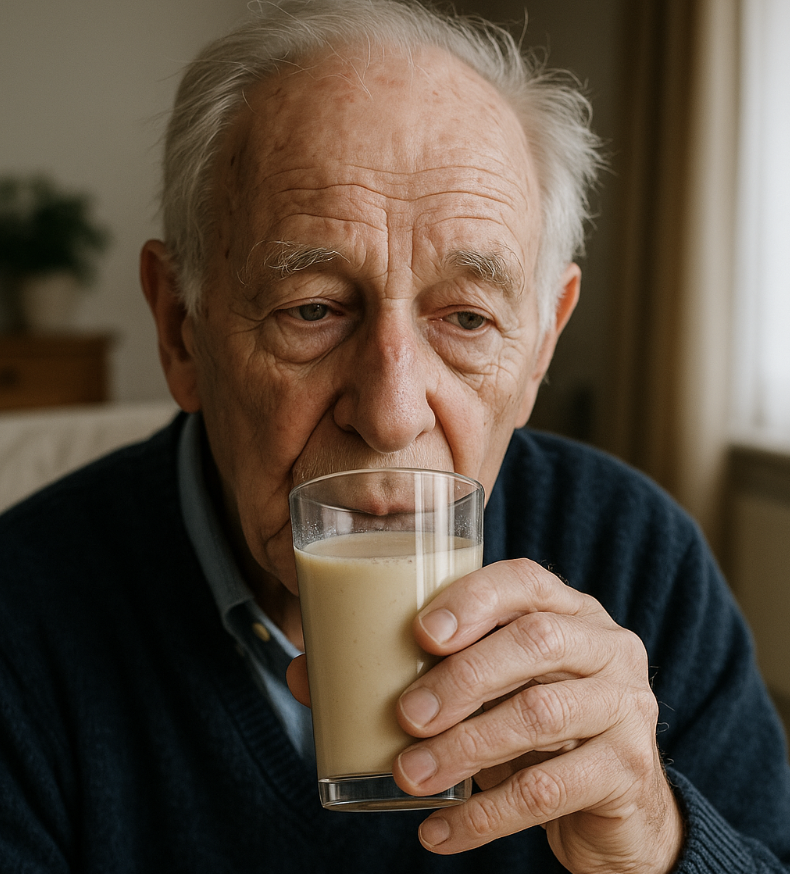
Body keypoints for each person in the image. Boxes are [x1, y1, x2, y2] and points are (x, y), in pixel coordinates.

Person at [1, 1, 788, 871]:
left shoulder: (638, 558)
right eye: (313, 309)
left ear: (539, 349)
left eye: (465, 318)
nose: (390, 411)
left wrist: (655, 837)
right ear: (182, 328)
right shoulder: (20, 622)